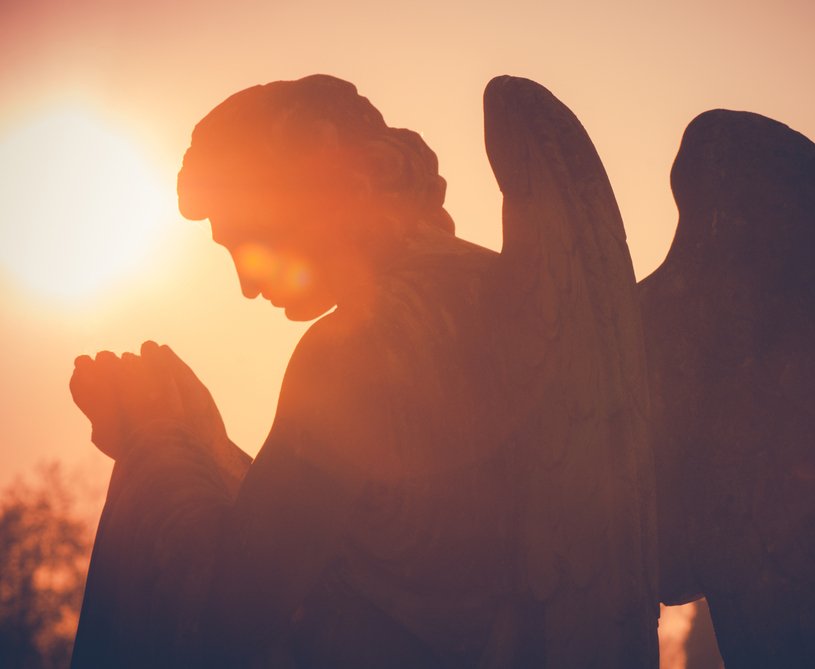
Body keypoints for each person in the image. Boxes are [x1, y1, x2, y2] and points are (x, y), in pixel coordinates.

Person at [70, 74, 659, 667]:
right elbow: (338, 543)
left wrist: (158, 438)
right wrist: (206, 442)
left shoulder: (357, 351)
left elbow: (228, 622)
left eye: (245, 238)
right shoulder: (506, 300)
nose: (246, 284)